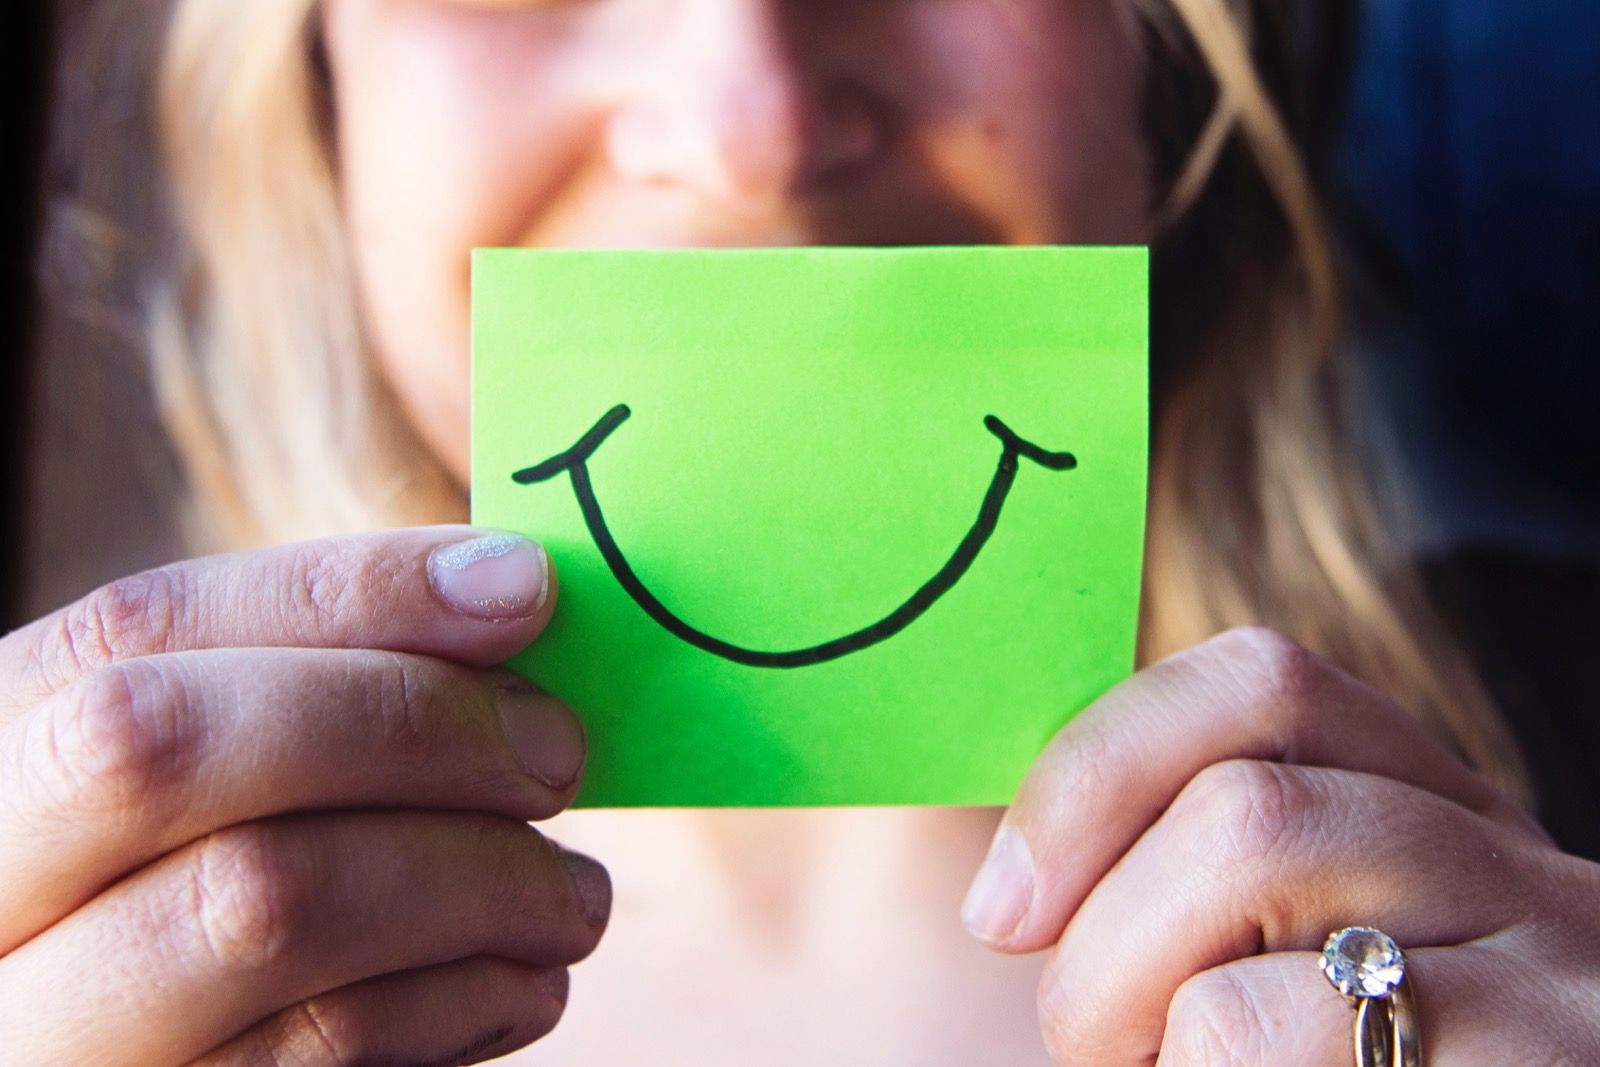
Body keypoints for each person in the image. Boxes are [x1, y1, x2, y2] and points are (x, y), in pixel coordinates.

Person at [5, 0, 1598, 1062]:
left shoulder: (1553, 823)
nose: (750, 117)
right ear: (310, 80)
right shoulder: (66, 914)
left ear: (1165, 46)